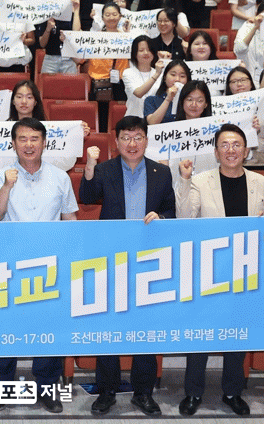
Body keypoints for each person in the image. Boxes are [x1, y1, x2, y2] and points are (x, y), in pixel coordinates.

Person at [80, 115, 174, 416]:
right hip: (111, 258)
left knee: (145, 327)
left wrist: (161, 217)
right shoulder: (105, 169)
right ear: (116, 141)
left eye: (137, 137)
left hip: (149, 260)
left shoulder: (162, 172)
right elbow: (87, 197)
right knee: (108, 325)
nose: (132, 143)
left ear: (146, 140)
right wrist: (90, 166)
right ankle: (106, 390)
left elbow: (170, 211)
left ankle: (143, 392)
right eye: (126, 138)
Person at [176, 123, 264, 416]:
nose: (231, 150)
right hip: (208, 268)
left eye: (236, 145)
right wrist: (183, 180)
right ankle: (193, 392)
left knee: (237, 334)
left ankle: (232, 391)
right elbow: (184, 219)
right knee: (201, 334)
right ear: (216, 152)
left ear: (246, 150)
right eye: (225, 145)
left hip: (245, 269)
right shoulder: (199, 181)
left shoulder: (260, 182)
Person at [0, 117, 78, 414]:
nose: (29, 144)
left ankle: (47, 388)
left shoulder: (60, 177)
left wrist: (70, 259)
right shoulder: (0, 175)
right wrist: (7, 186)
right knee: (5, 329)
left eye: (34, 138)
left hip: (50, 266)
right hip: (10, 266)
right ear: (13, 144)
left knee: (48, 329)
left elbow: (70, 220)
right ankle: (1, 388)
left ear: (44, 142)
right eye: (23, 139)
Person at [84, 1, 129, 132]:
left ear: (120, 16)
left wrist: (128, 33)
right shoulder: (94, 38)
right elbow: (78, 59)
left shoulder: (126, 37)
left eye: (114, 14)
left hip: (120, 82)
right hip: (99, 83)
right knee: (101, 120)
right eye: (107, 15)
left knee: (120, 118)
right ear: (102, 17)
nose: (111, 18)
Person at [226, 66, 264, 167]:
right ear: (228, 86)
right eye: (234, 81)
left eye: (243, 80)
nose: (239, 84)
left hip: (262, 161)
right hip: (231, 161)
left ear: (251, 83)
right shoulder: (223, 108)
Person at [0, 0, 35, 72]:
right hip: (1, 59)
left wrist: (23, 41)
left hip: (19, 60)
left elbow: (32, 39)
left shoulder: (25, 14)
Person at [234, 0, 264, 83]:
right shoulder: (247, 27)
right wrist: (255, 27)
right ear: (256, 15)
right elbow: (239, 50)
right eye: (263, 16)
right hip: (249, 78)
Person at [39, 0, 81, 74]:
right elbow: (42, 44)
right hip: (50, 59)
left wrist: (76, 10)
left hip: (69, 59)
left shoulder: (72, 15)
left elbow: (76, 32)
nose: (60, 1)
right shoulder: (46, 16)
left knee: (70, 83)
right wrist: (48, 29)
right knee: (46, 82)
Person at [123, 35, 164, 117]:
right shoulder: (128, 73)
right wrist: (156, 74)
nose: (146, 53)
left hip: (154, 119)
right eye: (141, 50)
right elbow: (139, 93)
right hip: (133, 119)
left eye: (149, 50)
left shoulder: (161, 73)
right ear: (135, 54)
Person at [144, 59, 191, 124]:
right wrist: (168, 99)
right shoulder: (151, 100)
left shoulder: (191, 101)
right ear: (165, 77)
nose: (177, 79)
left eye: (182, 76)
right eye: (173, 75)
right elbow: (152, 122)